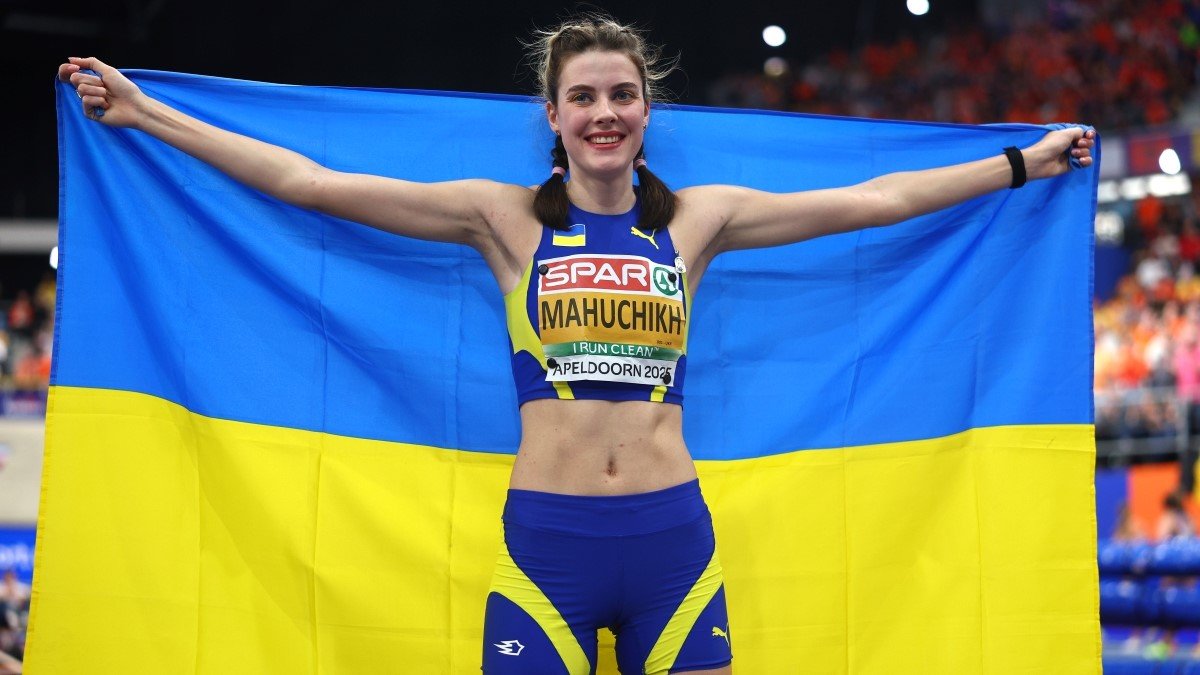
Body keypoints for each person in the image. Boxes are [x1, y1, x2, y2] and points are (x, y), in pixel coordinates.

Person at [58, 14, 1095, 675]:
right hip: (546, 547)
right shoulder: (502, 219)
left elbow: (878, 200)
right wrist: (148, 116)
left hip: (673, 543)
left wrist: (1021, 164)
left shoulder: (700, 221)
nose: (605, 113)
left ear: (647, 110)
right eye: (584, 97)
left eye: (622, 95)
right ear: (552, 116)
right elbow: (312, 185)